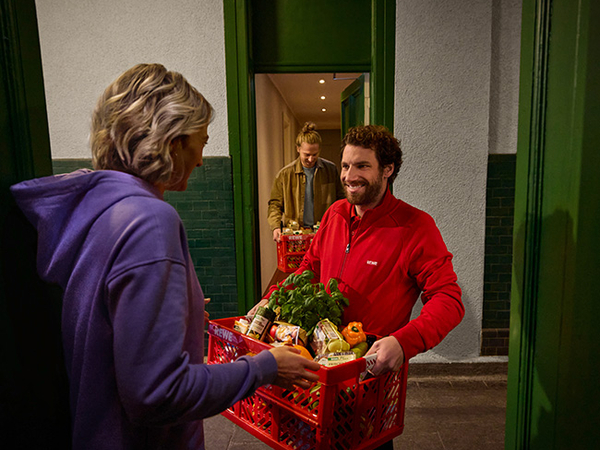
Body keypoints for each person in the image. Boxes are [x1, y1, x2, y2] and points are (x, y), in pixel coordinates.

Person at [10, 63, 320, 450]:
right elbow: (157, 394)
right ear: (172, 141)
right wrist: (264, 367)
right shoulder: (149, 221)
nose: (203, 160)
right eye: (202, 142)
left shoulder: (97, 208)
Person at [255, 124, 464, 449]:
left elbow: (448, 298)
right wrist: (269, 302)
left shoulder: (415, 227)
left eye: (362, 166)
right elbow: (310, 267)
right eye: (346, 165)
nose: (350, 176)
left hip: (368, 379)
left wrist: (403, 341)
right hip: (317, 368)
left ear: (388, 170)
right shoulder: (335, 213)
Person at [267, 121, 344, 241]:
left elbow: (341, 198)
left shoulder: (330, 170)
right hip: (296, 234)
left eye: (315, 154)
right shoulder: (285, 175)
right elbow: (275, 204)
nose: (311, 159)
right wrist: (276, 227)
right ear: (298, 149)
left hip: (325, 231)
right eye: (307, 154)